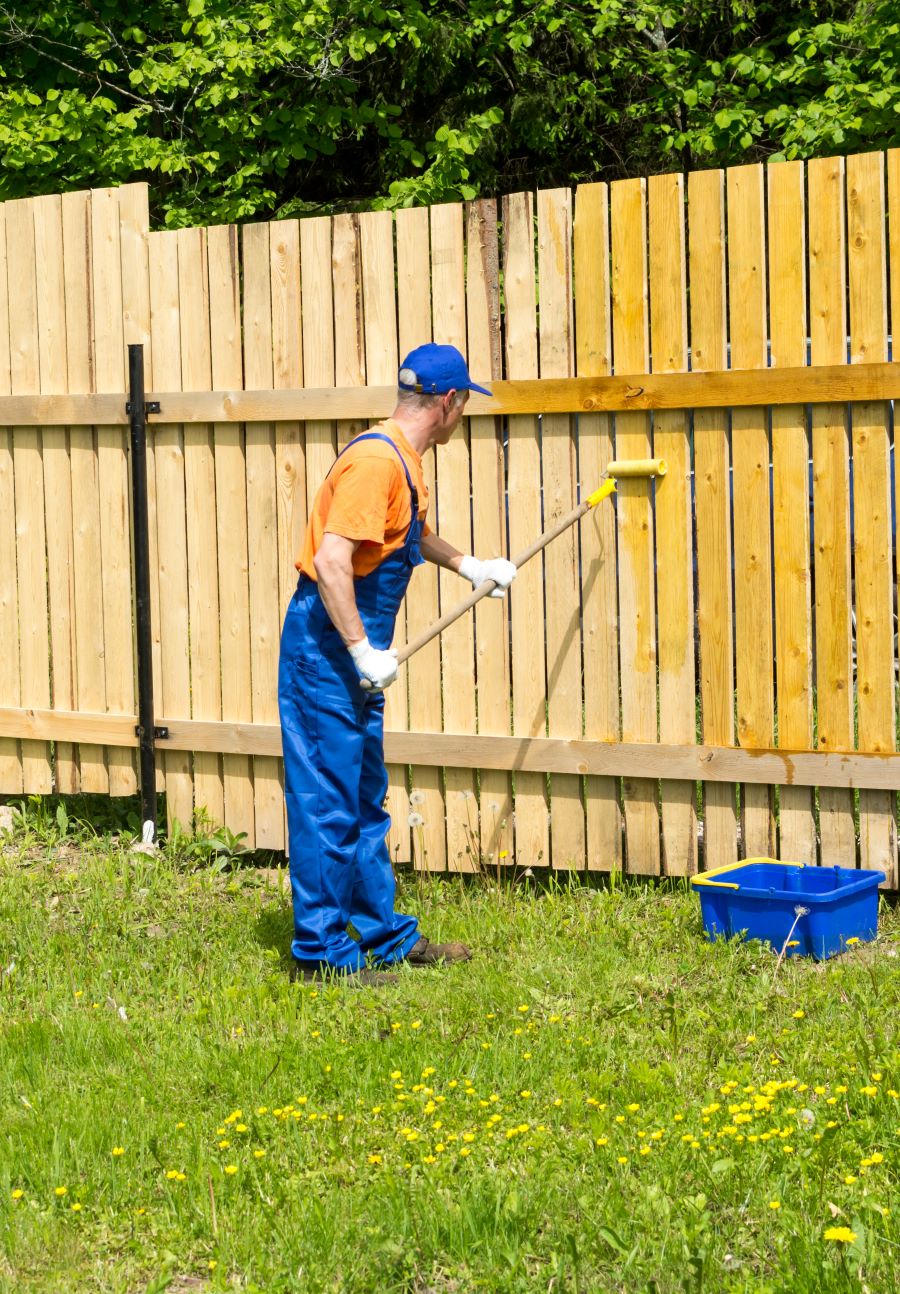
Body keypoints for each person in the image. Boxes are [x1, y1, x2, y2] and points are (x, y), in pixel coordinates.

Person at [278, 343, 517, 983]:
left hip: (354, 652)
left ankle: (382, 937)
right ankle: (322, 955)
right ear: (449, 402)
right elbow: (332, 563)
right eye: (464, 401)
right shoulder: (374, 463)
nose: (463, 411)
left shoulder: (402, 460)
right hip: (326, 650)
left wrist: (471, 565)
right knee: (328, 802)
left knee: (364, 796)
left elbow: (406, 536)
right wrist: (359, 650)